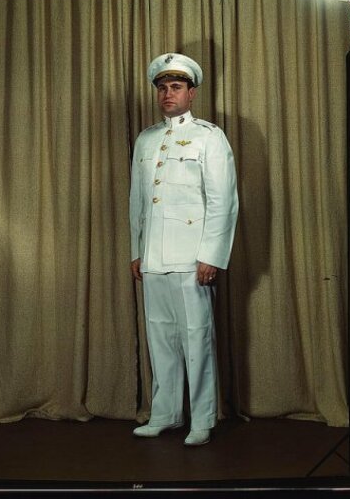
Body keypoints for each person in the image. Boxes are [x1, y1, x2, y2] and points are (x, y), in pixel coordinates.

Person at [129, 52, 238, 446]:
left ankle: (203, 420)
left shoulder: (210, 137)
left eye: (176, 87)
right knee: (160, 338)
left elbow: (222, 200)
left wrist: (212, 255)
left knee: (197, 338)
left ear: (191, 93)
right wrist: (137, 250)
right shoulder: (146, 139)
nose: (167, 94)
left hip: (193, 258)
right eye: (162, 87)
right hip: (154, 257)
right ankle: (165, 414)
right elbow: (137, 201)